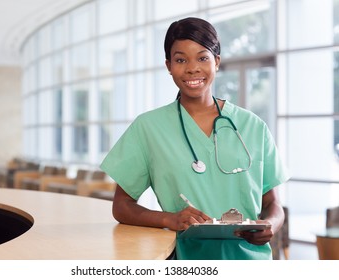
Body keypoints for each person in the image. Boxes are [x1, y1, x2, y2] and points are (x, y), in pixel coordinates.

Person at [100, 17, 289, 260]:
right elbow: (122, 206)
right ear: (168, 65)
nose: (192, 68)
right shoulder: (148, 128)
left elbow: (273, 203)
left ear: (217, 62)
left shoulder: (252, 126)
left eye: (202, 58)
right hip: (186, 260)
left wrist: (271, 224)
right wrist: (170, 218)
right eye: (180, 59)